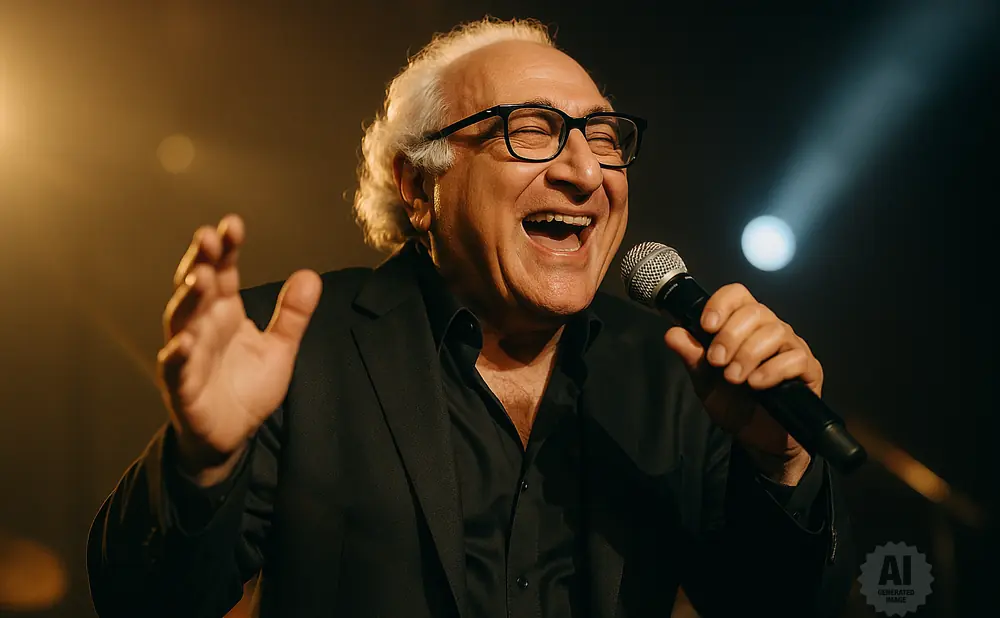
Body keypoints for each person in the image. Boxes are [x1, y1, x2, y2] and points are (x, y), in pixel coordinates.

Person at [87, 17, 855, 618]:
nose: (585, 171)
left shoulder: (679, 373)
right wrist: (201, 466)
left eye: (602, 136)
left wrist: (781, 464)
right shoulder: (293, 347)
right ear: (418, 185)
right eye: (531, 130)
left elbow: (780, 609)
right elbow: (142, 603)